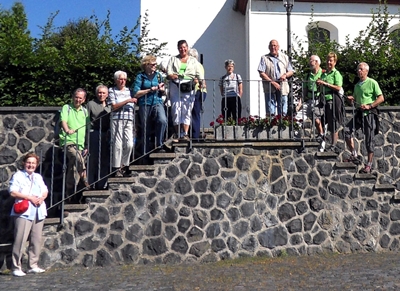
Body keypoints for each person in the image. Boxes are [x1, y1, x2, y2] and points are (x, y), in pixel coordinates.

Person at [9, 152, 48, 277]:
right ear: (24, 163)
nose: (31, 165)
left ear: (36, 165)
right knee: (20, 240)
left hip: (38, 211)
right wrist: (29, 197)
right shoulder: (18, 176)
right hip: (24, 212)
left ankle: (33, 265)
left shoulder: (38, 177)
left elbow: (45, 190)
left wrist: (42, 198)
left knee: (36, 240)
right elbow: (13, 192)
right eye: (28, 162)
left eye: (33, 163)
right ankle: (15, 267)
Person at [344, 62, 384, 173]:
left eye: (361, 69)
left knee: (369, 140)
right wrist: (351, 100)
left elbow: (381, 98)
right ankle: (354, 154)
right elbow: (356, 103)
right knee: (346, 130)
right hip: (359, 114)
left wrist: (370, 106)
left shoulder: (372, 83)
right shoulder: (356, 86)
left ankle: (369, 165)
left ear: (366, 71)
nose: (359, 71)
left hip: (370, 114)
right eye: (358, 69)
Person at [167, 40, 204, 141]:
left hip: (188, 85)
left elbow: (199, 73)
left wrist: (201, 83)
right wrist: (172, 75)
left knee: (187, 109)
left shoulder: (193, 60)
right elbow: (169, 71)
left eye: (184, 47)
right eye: (180, 47)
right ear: (178, 48)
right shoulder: (173, 59)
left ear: (187, 48)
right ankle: (178, 133)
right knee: (176, 109)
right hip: (175, 84)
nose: (182, 49)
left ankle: (185, 133)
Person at [132, 55, 167, 154]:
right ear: (146, 65)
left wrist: (162, 90)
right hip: (145, 103)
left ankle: (159, 144)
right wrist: (150, 89)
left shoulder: (158, 76)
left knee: (162, 120)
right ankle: (145, 152)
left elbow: (163, 92)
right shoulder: (140, 77)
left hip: (157, 101)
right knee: (145, 128)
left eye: (155, 64)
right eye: (153, 64)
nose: (155, 66)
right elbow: (136, 93)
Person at [59, 88, 90, 196]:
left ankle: (70, 195)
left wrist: (86, 145)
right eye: (76, 97)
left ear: (84, 99)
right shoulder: (66, 108)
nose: (77, 100)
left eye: (80, 98)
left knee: (73, 170)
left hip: (80, 144)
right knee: (78, 159)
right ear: (73, 97)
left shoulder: (85, 111)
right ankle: (85, 177)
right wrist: (67, 130)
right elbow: (63, 120)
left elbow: (87, 128)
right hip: (69, 142)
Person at [108, 71, 136, 177]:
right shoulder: (112, 90)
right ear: (116, 80)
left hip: (129, 119)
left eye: (124, 79)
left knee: (129, 144)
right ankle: (116, 168)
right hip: (116, 119)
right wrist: (127, 101)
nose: (122, 81)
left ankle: (124, 165)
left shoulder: (130, 91)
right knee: (118, 145)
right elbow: (114, 107)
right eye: (120, 79)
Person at [257, 39, 294, 116]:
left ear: (278, 47)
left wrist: (285, 75)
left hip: (282, 85)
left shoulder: (284, 57)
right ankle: (271, 124)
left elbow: (291, 71)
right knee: (270, 109)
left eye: (275, 45)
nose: (273, 47)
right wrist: (272, 82)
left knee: (283, 107)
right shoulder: (264, 58)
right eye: (271, 45)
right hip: (270, 85)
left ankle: (282, 124)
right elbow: (261, 73)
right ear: (268, 47)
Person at [316, 52, 344, 152]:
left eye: (331, 61)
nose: (328, 62)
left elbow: (338, 87)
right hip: (323, 100)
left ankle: (333, 145)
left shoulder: (336, 74)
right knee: (319, 119)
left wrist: (325, 84)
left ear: (335, 62)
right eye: (327, 60)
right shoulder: (324, 74)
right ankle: (322, 137)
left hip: (332, 100)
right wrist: (319, 83)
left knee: (333, 123)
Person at [87, 85, 111, 189]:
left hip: (107, 134)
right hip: (95, 133)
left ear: (107, 94)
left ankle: (102, 183)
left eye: (103, 93)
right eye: (99, 93)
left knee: (105, 159)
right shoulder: (91, 104)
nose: (101, 95)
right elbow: (87, 120)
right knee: (93, 159)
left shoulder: (111, 104)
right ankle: (91, 183)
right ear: (96, 93)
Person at [297, 55, 324, 137]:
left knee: (316, 118)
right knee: (298, 118)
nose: (309, 62)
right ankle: (297, 137)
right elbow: (304, 91)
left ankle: (321, 135)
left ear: (316, 62)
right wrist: (300, 104)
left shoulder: (323, 74)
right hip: (309, 100)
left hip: (319, 101)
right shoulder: (308, 76)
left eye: (311, 60)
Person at [189, 48, 207, 139]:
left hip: (198, 91)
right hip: (201, 91)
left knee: (195, 113)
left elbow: (198, 79)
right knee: (195, 113)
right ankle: (194, 134)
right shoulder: (200, 65)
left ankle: (195, 137)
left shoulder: (195, 65)